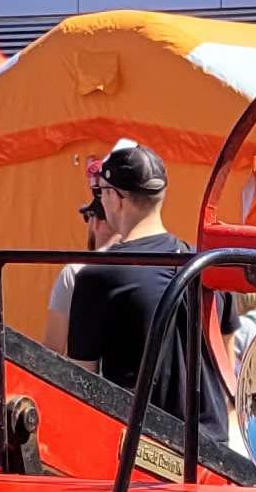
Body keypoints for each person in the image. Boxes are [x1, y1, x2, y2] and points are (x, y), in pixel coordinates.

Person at [59, 144, 222, 438]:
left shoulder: (97, 276)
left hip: (142, 450)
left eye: (102, 192)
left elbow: (81, 382)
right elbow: (227, 367)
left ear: (114, 199)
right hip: (215, 446)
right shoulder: (210, 268)